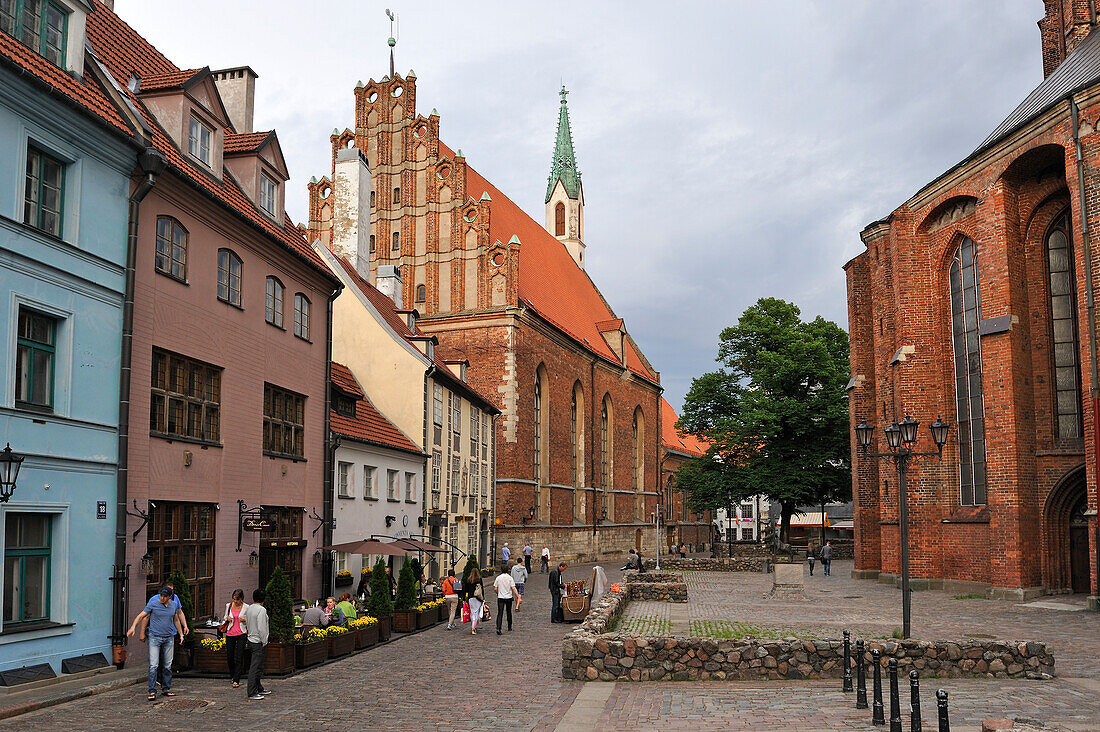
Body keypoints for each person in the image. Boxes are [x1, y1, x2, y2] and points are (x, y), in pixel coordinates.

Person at [127, 586, 181, 701]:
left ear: (170, 597)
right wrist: (133, 627)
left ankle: (166, 688)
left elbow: (176, 619)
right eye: (161, 595)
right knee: (153, 665)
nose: (162, 598)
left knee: (167, 665)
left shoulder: (173, 605)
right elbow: (141, 616)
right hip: (154, 637)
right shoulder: (153, 604)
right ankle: (152, 690)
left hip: (168, 638)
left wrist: (181, 634)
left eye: (164, 596)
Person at [244, 588, 270, 700]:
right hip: (258, 641)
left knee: (258, 665)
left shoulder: (250, 608)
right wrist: (264, 641)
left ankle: (259, 687)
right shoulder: (261, 610)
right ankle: (251, 691)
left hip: (250, 639)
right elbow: (262, 627)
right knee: (255, 667)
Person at [221, 589, 249, 688]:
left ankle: (236, 679)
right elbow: (224, 617)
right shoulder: (228, 606)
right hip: (230, 633)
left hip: (241, 633)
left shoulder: (246, 607)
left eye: (237, 600)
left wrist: (244, 620)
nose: (235, 602)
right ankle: (232, 675)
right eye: (234, 599)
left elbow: (249, 620)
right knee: (229, 656)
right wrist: (227, 618)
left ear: (241, 599)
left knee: (239, 656)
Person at [493, 565, 521, 634]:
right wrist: (518, 596)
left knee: (500, 613)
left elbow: (495, 588)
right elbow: (513, 588)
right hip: (508, 597)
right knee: (509, 612)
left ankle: (498, 628)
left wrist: (498, 593)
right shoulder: (510, 578)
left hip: (501, 597)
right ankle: (509, 626)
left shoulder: (498, 578)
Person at [461, 565, 484, 635]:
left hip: (471, 598)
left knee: (473, 612)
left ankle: (474, 626)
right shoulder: (479, 580)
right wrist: (484, 598)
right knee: (477, 612)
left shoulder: (468, 580)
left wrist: (464, 598)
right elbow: (482, 590)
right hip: (478, 598)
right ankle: (474, 627)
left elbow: (465, 590)